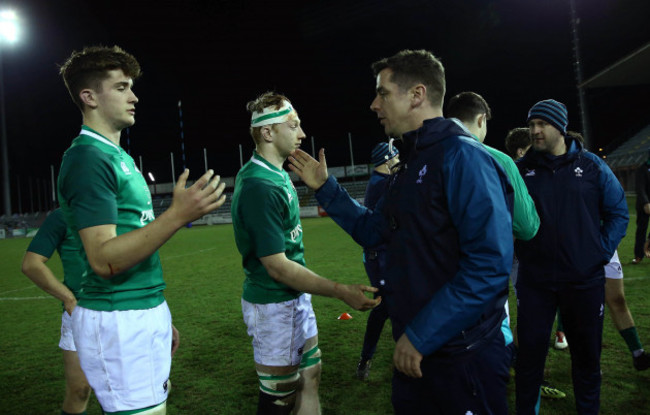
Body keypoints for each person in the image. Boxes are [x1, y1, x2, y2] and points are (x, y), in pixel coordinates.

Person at [289, 49, 514, 414]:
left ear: (417, 95)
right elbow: (374, 230)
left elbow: (489, 266)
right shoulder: (411, 164)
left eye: (383, 93)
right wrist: (326, 187)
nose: (374, 104)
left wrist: (422, 335)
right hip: (415, 350)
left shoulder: (463, 158)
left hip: (460, 355)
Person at [57, 45, 224, 415]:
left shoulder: (118, 156)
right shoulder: (88, 158)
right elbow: (103, 259)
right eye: (120, 88)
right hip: (117, 317)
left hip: (140, 310)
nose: (134, 97)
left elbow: (135, 240)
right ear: (89, 97)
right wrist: (177, 216)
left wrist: (158, 313)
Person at [231, 91, 380, 415]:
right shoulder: (259, 185)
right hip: (273, 303)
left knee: (311, 374)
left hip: (295, 297)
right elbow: (278, 268)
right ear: (268, 133)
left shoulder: (280, 174)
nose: (302, 133)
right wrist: (340, 291)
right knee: (279, 397)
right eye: (293, 125)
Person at [447, 92, 567, 401]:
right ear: (482, 119)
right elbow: (527, 227)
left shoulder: (421, 155)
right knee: (487, 368)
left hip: (430, 287)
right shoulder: (497, 159)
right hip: (480, 283)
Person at [514, 99, 628, 415]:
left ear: (560, 128)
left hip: (584, 281)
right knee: (529, 361)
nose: (535, 131)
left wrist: (599, 253)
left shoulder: (592, 166)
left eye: (542, 124)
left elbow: (618, 212)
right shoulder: (521, 171)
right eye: (532, 124)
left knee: (587, 359)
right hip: (535, 283)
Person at [21, 208, 91, 415]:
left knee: (121, 388)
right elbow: (31, 263)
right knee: (79, 390)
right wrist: (68, 298)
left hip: (121, 309)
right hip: (80, 315)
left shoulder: (120, 209)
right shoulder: (63, 216)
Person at [355, 141, 399, 381]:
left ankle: (367, 358)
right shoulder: (383, 184)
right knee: (389, 307)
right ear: (389, 159)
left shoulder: (380, 182)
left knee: (384, 309)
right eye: (397, 156)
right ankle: (372, 358)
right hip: (380, 257)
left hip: (379, 256)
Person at [633, 151, 650, 263]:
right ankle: (639, 255)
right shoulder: (642, 169)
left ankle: (648, 248)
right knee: (641, 230)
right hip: (644, 205)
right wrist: (646, 203)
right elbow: (640, 188)